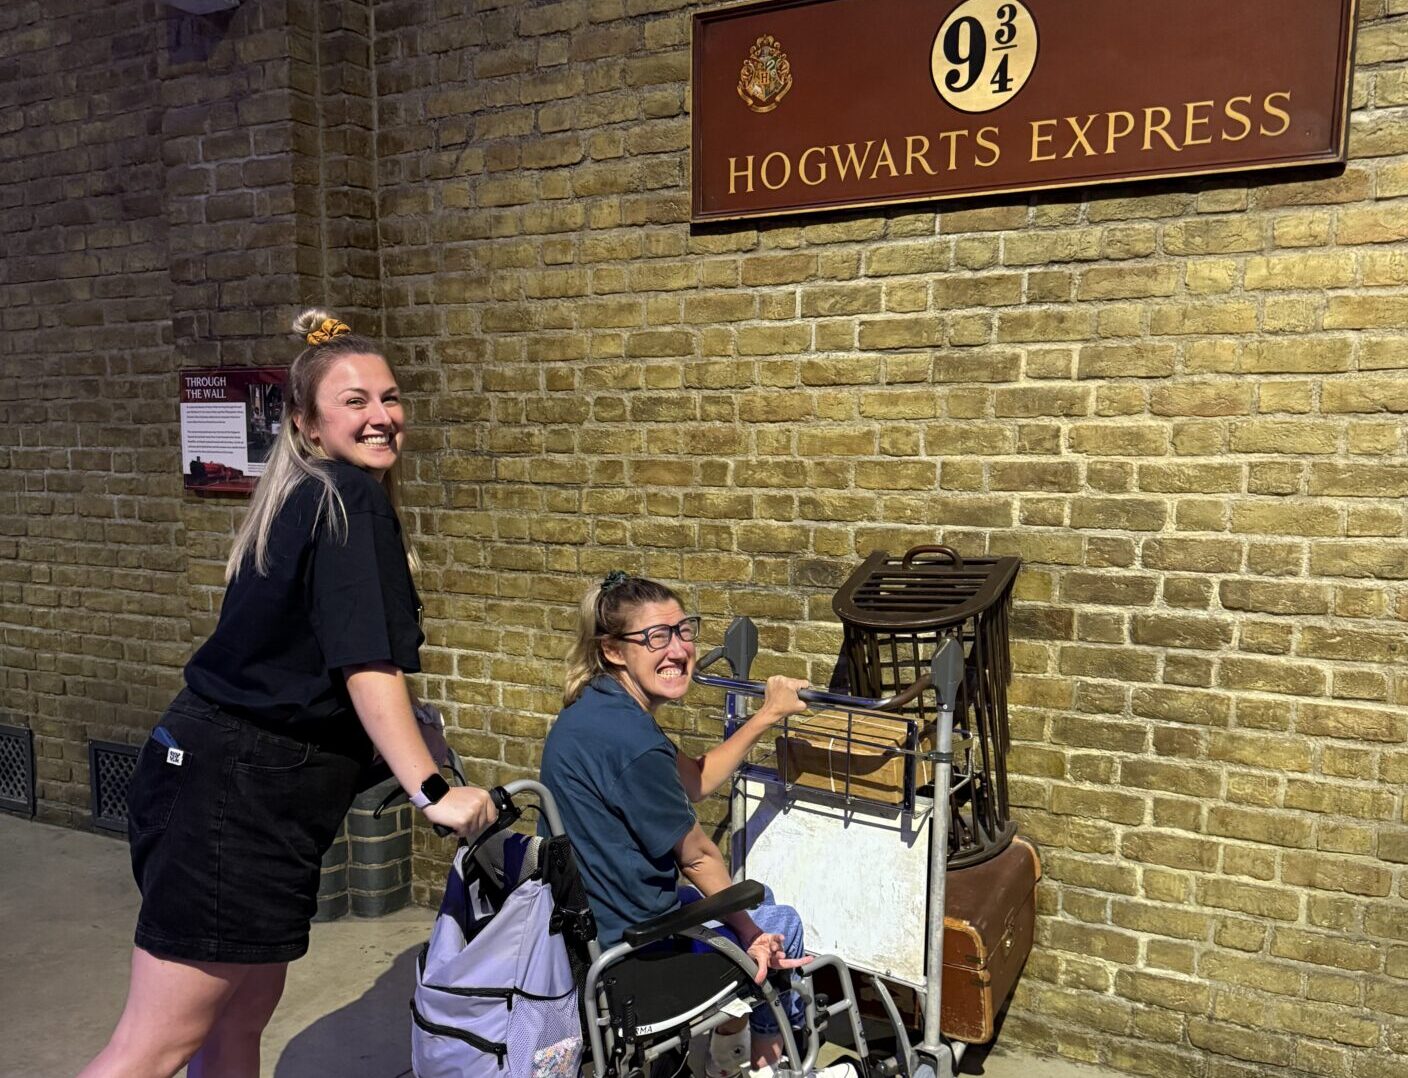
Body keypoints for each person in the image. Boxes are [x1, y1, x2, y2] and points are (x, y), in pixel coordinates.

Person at [80, 310, 497, 1078]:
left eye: (390, 397)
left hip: (240, 787)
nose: (381, 416)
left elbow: (307, 664)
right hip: (230, 797)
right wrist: (433, 790)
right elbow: (365, 665)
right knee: (154, 1044)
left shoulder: (311, 495)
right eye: (354, 401)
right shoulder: (348, 498)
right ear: (306, 423)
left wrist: (412, 734)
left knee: (237, 1021)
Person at [541, 572, 849, 1078]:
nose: (679, 649)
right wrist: (751, 934)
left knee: (761, 899)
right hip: (634, 957)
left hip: (596, 929)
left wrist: (767, 714)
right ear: (614, 650)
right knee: (782, 924)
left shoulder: (597, 708)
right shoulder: (632, 743)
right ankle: (771, 1065)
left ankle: (727, 1055)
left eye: (684, 631)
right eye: (655, 637)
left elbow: (697, 781)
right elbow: (699, 857)